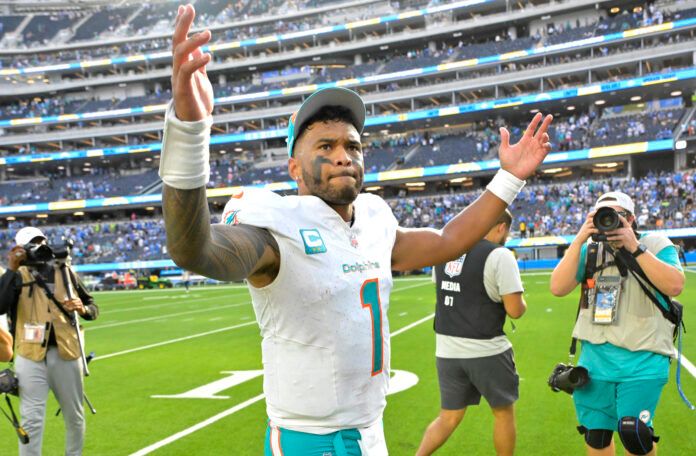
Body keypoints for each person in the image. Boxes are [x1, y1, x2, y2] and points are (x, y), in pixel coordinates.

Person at [159, 4, 552, 453]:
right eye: (325, 145)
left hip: (370, 429)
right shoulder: (274, 227)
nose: (344, 155)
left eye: (352, 145)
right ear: (293, 166)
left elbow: (448, 241)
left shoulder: (373, 219)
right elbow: (195, 250)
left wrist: (509, 179)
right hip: (309, 438)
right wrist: (190, 131)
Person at [550, 192, 685, 456]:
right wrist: (579, 238)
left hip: (643, 359)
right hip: (595, 361)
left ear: (631, 218)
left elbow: (675, 285)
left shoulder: (655, 243)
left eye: (614, 215)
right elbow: (557, 287)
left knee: (635, 435)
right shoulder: (589, 250)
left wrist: (634, 247)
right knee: (596, 436)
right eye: (601, 216)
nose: (607, 221)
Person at [417, 210, 526, 456]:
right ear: (501, 227)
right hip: (486, 348)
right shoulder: (500, 255)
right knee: (503, 413)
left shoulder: (445, 250)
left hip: (446, 349)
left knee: (449, 416)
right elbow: (515, 310)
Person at [0, 227, 99, 456]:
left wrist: (83, 308)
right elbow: (0, 306)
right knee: (31, 418)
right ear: (20, 249)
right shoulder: (16, 275)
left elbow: (93, 306)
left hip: (66, 350)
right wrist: (12, 269)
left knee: (74, 415)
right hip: (29, 353)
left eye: (40, 242)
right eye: (31, 245)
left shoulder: (65, 270)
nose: (37, 248)